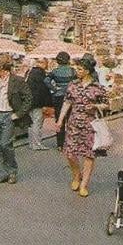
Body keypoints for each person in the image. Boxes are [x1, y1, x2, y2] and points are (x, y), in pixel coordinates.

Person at [55, 54, 108, 197]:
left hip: (90, 124)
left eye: (79, 69)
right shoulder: (73, 85)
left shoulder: (97, 87)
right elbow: (67, 102)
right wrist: (60, 120)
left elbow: (106, 104)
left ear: (87, 70)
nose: (77, 71)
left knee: (89, 155)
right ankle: (76, 174)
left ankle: (84, 184)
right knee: (70, 153)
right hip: (73, 122)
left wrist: (96, 106)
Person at [0, 54, 33, 185]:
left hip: (8, 115)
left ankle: (12, 171)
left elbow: (28, 98)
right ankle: (0, 174)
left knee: (5, 144)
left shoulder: (18, 80)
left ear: (2, 67)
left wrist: (18, 114)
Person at [44, 52, 76, 150]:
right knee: (71, 119)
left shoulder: (55, 71)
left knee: (59, 119)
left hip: (58, 96)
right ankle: (71, 142)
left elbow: (46, 80)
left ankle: (60, 144)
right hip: (70, 96)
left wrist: (54, 89)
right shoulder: (72, 71)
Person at [25, 57, 52, 150]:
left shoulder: (31, 72)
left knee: (31, 123)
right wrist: (45, 103)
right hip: (37, 102)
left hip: (30, 101)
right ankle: (37, 143)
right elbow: (42, 90)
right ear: (43, 63)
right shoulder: (40, 74)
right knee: (37, 122)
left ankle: (32, 143)